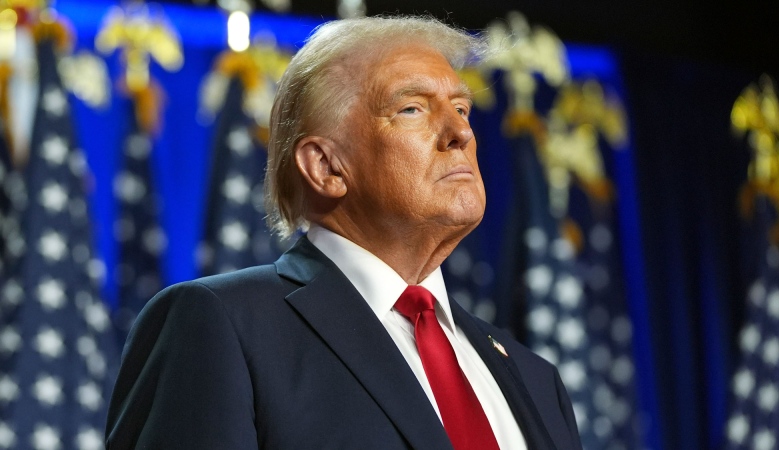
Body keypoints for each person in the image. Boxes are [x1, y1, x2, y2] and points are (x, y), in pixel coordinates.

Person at [105, 16, 581, 450]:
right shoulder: (220, 326)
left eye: (461, 108)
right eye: (413, 109)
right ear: (326, 166)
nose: (461, 132)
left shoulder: (534, 378)